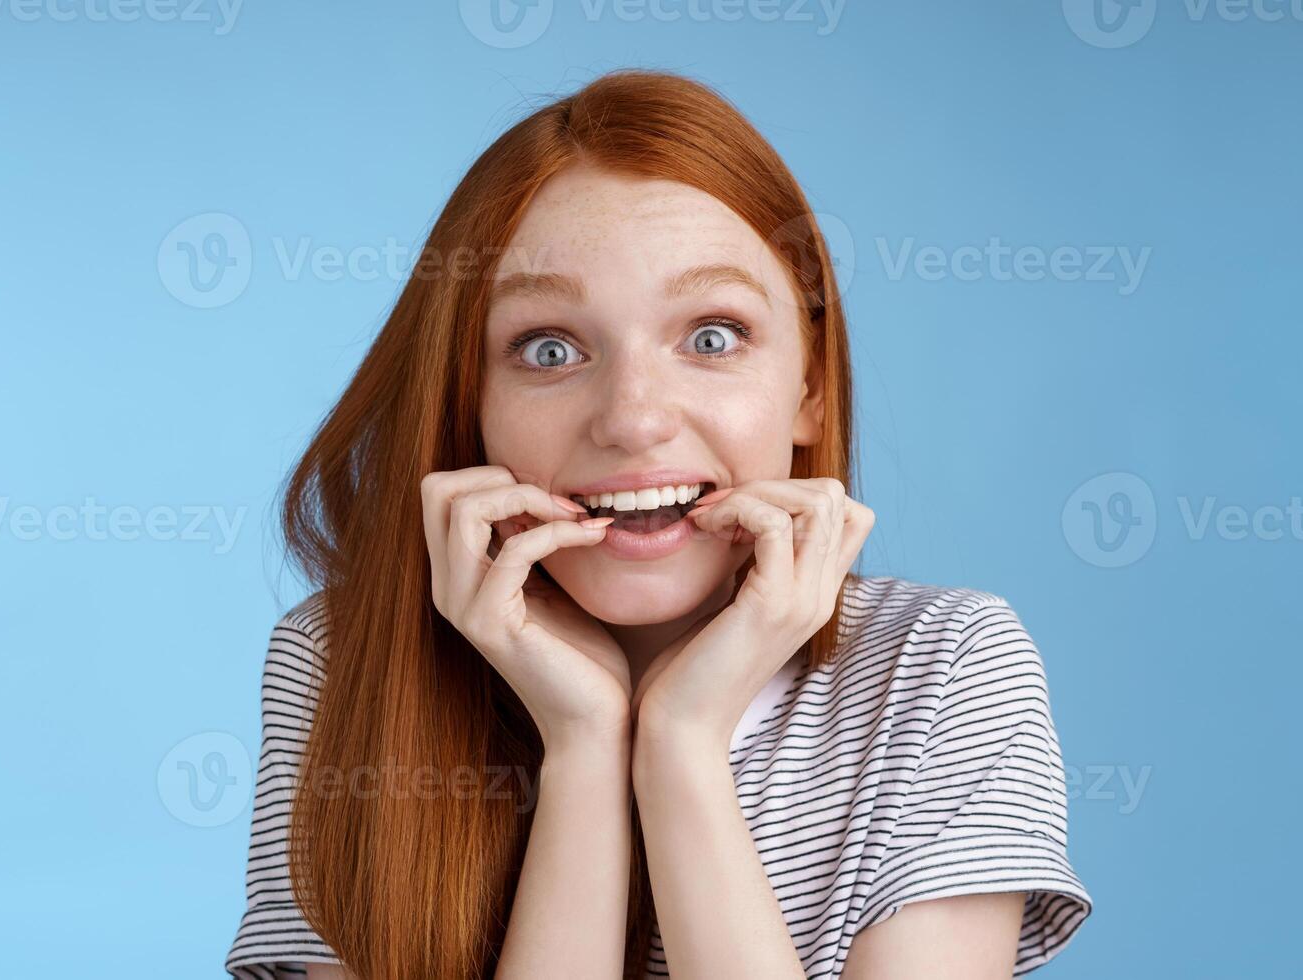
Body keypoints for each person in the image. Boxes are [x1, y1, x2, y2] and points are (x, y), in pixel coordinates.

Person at [227, 70, 1089, 979]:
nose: (633, 420)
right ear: (468, 399)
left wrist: (681, 746)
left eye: (712, 337)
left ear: (811, 387)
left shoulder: (943, 666)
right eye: (548, 349)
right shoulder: (343, 660)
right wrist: (586, 748)